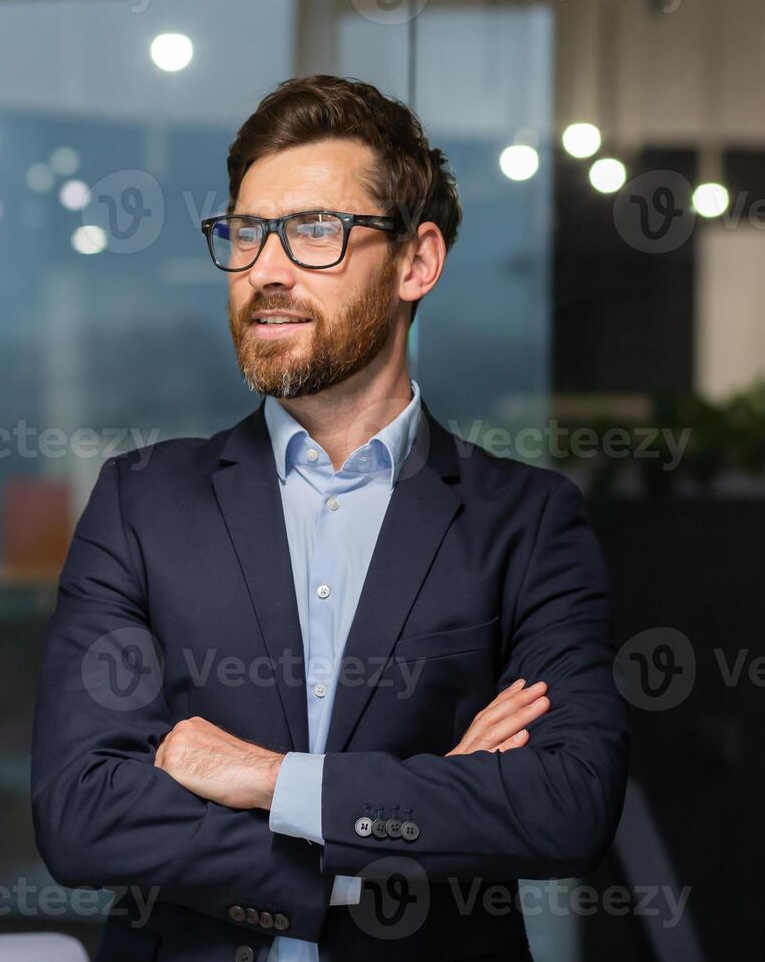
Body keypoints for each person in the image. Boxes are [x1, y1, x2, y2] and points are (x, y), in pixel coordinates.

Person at [31, 74, 628, 962]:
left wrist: (267, 780)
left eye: (314, 230)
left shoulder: (528, 523)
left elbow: (566, 805)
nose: (265, 269)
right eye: (245, 233)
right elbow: (81, 812)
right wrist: (407, 824)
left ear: (416, 262)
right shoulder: (142, 503)